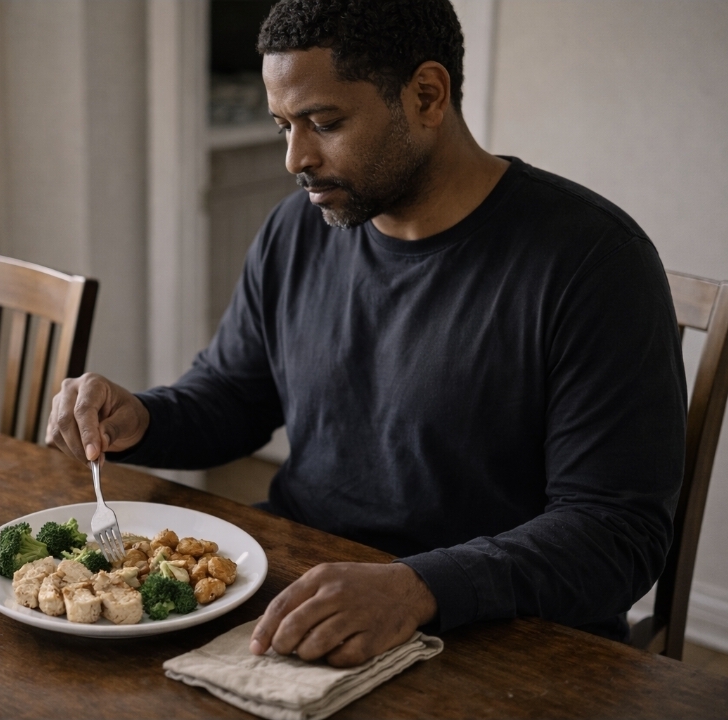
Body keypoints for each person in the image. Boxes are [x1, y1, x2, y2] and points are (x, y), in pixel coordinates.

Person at [47, 0, 687, 668]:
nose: (295, 157)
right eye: (282, 126)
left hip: (505, 636)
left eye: (323, 122)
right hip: (306, 591)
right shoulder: (294, 231)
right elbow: (234, 396)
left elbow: (616, 534)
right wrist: (143, 416)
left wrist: (418, 587)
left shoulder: (590, 261)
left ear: (426, 96)